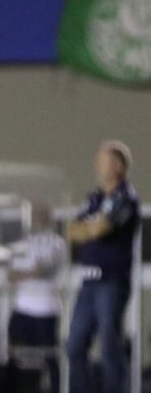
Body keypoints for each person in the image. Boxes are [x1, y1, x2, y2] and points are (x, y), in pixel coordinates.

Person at [66, 140, 141, 393]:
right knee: (74, 345)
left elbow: (102, 227)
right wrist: (91, 229)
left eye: (103, 160)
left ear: (118, 166)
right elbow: (73, 231)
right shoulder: (94, 198)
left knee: (109, 343)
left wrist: (93, 228)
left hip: (112, 282)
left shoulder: (126, 198)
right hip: (88, 283)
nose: (97, 165)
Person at [5, 203, 66, 393]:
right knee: (20, 358)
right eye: (33, 216)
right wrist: (27, 274)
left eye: (40, 215)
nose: (36, 220)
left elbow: (45, 269)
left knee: (50, 357)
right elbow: (11, 274)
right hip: (22, 309)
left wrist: (26, 274)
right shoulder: (22, 243)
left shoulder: (57, 243)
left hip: (45, 310)